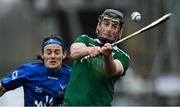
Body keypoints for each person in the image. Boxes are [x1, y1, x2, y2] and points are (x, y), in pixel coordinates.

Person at [63, 9, 131, 106]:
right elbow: (74, 52)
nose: (109, 29)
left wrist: (108, 56)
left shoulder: (123, 57)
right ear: (99, 26)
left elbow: (111, 71)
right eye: (106, 24)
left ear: (119, 32)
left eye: (114, 26)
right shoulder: (85, 40)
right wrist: (90, 50)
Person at [0, 35, 71, 106]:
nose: (53, 56)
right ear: (42, 54)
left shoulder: (71, 75)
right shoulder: (28, 71)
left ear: (64, 54)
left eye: (57, 52)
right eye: (48, 53)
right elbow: (3, 87)